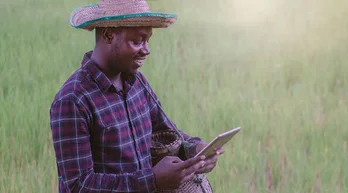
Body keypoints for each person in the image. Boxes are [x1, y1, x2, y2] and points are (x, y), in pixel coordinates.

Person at [49, 0, 222, 192]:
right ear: (108, 35)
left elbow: (166, 132)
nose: (146, 50)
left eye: (148, 40)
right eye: (137, 41)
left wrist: (197, 150)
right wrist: (152, 181)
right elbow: (78, 185)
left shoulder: (138, 83)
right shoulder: (73, 100)